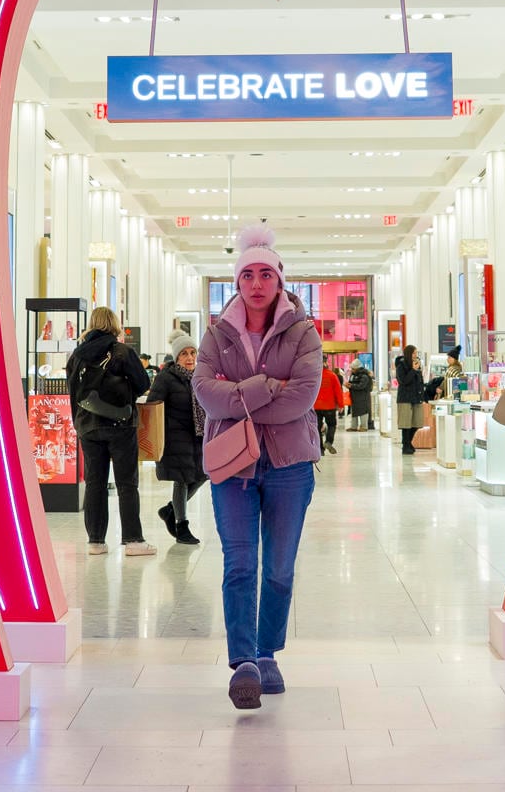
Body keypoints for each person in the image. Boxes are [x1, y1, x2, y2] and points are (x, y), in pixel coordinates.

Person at [195, 224, 322, 710]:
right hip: (232, 465)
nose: (256, 283)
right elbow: (205, 393)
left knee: (279, 569)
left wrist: (238, 397)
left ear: (279, 280)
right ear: (237, 281)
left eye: (265, 274)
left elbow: (302, 397)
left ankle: (268, 652)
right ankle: (244, 661)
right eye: (247, 274)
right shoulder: (216, 333)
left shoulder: (303, 332)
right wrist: (268, 386)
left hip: (290, 465)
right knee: (240, 564)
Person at [68, 306, 153, 556]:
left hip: (88, 426)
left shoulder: (77, 355)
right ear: (114, 324)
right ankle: (133, 540)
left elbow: (73, 392)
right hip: (121, 424)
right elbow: (143, 384)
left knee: (95, 482)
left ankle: (96, 541)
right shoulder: (122, 352)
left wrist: (78, 423)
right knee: (127, 482)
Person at [147, 329, 207, 545]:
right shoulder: (166, 378)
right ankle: (182, 526)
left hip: (198, 435)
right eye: (184, 354)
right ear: (176, 356)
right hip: (175, 438)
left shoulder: (200, 376)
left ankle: (170, 510)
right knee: (182, 480)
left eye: (192, 353)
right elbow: (152, 406)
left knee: (203, 475)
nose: (190, 358)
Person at [394, 345, 425, 453]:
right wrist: (413, 370)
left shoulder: (417, 365)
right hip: (405, 398)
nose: (416, 355)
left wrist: (422, 394)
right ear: (408, 354)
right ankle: (406, 445)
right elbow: (404, 381)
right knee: (405, 423)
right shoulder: (401, 366)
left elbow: (420, 381)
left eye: (416, 353)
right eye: (413, 353)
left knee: (417, 423)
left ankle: (408, 442)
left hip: (417, 397)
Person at [312, 358, 345, 453]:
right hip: (329, 406)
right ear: (326, 363)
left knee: (317, 427)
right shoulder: (332, 375)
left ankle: (320, 449)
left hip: (316, 406)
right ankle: (328, 441)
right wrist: (341, 405)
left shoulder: (314, 376)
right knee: (331, 425)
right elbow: (338, 391)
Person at [347, 359, 374, 430]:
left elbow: (361, 386)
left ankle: (364, 426)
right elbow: (353, 383)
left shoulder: (364, 376)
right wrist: (349, 385)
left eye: (353, 369)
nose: (352, 370)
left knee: (363, 412)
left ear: (357, 368)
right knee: (354, 412)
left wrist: (351, 386)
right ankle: (354, 427)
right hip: (354, 397)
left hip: (363, 397)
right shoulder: (353, 375)